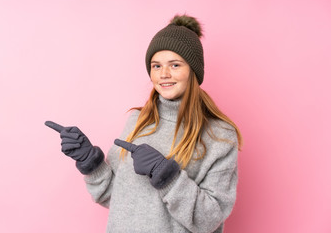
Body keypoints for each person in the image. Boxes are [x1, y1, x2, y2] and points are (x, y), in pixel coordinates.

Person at [45, 14, 243, 233]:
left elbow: (210, 219)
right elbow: (116, 198)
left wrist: (169, 177)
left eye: (175, 65)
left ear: (193, 71)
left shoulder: (220, 136)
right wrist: (91, 163)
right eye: (156, 66)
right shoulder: (138, 122)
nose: (164, 74)